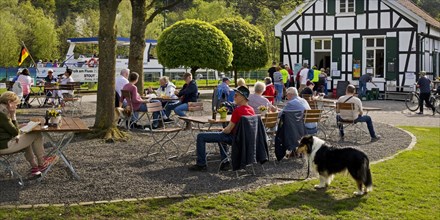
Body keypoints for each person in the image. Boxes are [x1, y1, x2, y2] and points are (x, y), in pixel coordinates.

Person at [188, 86, 255, 171]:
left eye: (236, 95)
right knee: (222, 137)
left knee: (201, 136)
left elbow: (228, 130)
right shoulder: (251, 110)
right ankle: (225, 162)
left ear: (242, 97)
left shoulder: (237, 111)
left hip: (235, 140)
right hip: (246, 141)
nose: (234, 97)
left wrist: (223, 130)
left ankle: (201, 164)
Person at [0, 92, 57, 176]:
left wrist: (19, 126)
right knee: (36, 134)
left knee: (26, 139)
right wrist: (13, 115)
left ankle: (34, 167)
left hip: (3, 143)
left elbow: (6, 128)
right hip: (4, 146)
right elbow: (15, 132)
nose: (17, 106)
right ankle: (42, 162)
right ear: (9, 102)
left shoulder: (2, 111)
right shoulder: (2, 114)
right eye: (16, 104)